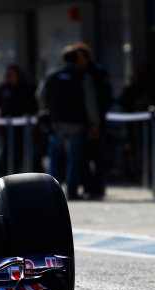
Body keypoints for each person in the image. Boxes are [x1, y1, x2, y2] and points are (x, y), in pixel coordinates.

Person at [36, 46, 100, 200]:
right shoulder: (82, 75)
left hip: (56, 122)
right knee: (74, 158)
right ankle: (71, 192)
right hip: (77, 123)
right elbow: (90, 102)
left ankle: (52, 192)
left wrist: (50, 107)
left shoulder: (52, 74)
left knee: (55, 156)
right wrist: (94, 123)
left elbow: (40, 96)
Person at [74, 43, 113, 199]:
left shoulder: (97, 72)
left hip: (97, 121)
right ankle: (87, 186)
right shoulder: (75, 73)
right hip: (81, 121)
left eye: (81, 58)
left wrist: (96, 121)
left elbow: (105, 96)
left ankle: (99, 188)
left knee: (98, 155)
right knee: (82, 156)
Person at [0, 64, 37, 176]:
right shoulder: (3, 88)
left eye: (15, 75)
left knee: (18, 150)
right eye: (11, 75)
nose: (13, 77)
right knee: (7, 149)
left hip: (21, 126)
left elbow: (33, 105)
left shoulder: (24, 88)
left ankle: (16, 173)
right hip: (5, 126)